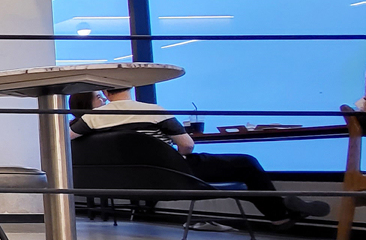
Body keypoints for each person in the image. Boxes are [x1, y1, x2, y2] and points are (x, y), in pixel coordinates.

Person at [71, 86, 329, 227]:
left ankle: (281, 212)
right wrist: (176, 156)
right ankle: (279, 213)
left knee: (241, 170)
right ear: (132, 87)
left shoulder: (92, 119)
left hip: (135, 178)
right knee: (246, 162)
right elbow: (186, 145)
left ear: (106, 93)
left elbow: (66, 141)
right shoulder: (153, 110)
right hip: (175, 172)